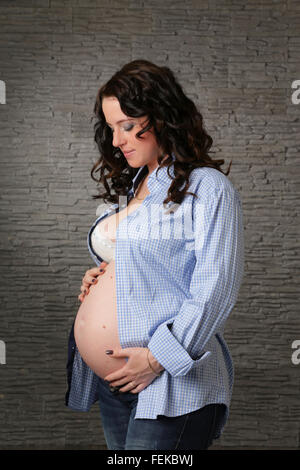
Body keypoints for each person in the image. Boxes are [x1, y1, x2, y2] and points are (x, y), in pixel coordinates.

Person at [65, 59, 244, 450]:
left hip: (168, 379)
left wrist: (156, 359)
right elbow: (153, 270)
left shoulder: (207, 188)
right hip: (116, 385)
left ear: (162, 118)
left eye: (127, 126)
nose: (116, 141)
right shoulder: (136, 188)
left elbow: (216, 288)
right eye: (112, 128)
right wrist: (103, 278)